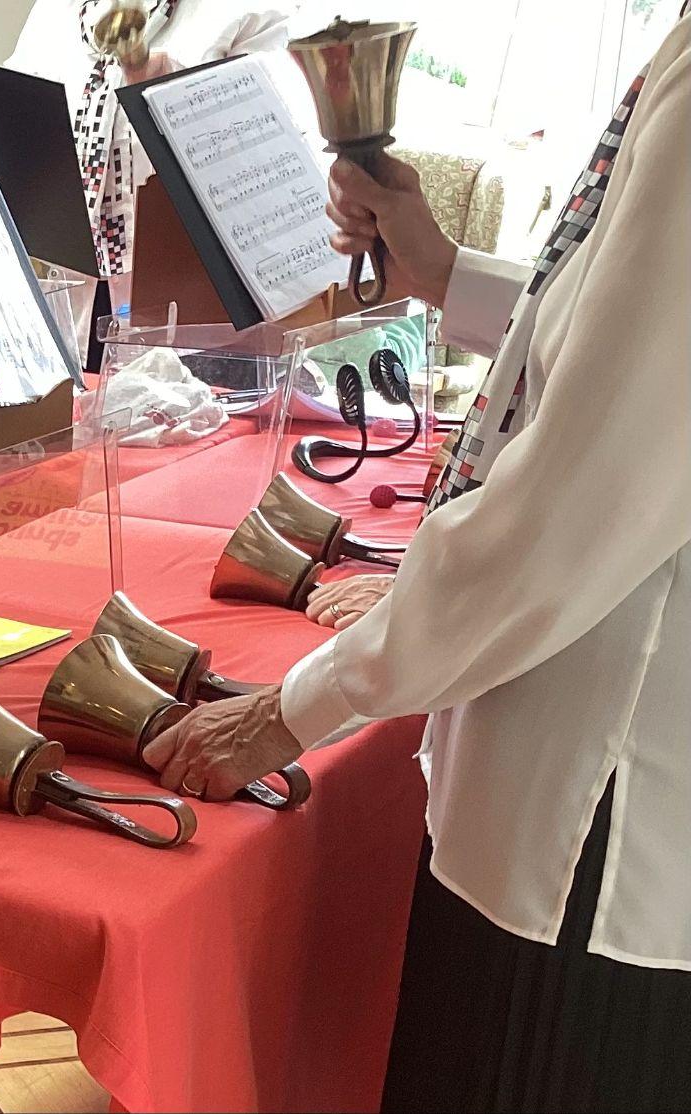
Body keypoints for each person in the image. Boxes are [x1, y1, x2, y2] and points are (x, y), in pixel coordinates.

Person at [144, 15, 691, 1111]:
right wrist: (445, 272)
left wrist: (296, 705)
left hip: (597, 805)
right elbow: (623, 339)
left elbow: (579, 496)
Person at [6, 1, 308, 281]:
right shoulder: (55, 10)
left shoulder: (250, 10)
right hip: (72, 286)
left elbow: (280, 175)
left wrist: (179, 104)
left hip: (195, 292)